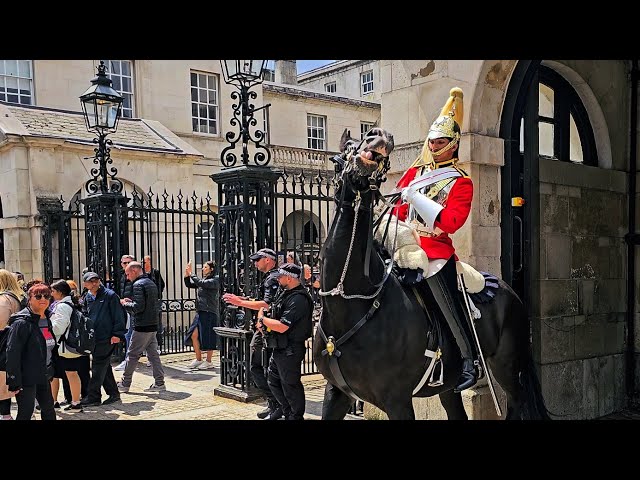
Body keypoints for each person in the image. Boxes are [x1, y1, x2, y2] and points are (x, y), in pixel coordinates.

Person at [393, 87, 478, 392]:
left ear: (453, 145)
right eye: (431, 141)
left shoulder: (461, 182)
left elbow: (452, 223)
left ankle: (470, 359)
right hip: (404, 245)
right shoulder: (416, 172)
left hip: (434, 251)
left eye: (440, 141)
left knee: (441, 292)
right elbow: (397, 209)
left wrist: (418, 198)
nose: (434, 145)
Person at [222, 247, 282, 420]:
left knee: (259, 368)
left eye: (258, 259)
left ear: (269, 260)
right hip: (265, 327)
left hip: (269, 328)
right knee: (259, 367)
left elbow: (267, 304)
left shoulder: (272, 279)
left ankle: (276, 404)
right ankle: (273, 404)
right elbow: (262, 301)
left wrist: (240, 302)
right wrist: (240, 300)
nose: (255, 263)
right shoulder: (270, 277)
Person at [257, 263, 313, 420]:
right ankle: (287, 412)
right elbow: (271, 309)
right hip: (279, 347)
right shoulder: (285, 293)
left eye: (280, 277)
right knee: (273, 380)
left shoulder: (298, 299)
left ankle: (295, 416)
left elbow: (282, 326)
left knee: (290, 385)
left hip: (290, 349)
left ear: (289, 278)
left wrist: (262, 319)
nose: (278, 280)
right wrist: (264, 319)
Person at [5, 283, 57, 420]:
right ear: (29, 299)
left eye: (46, 296)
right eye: (38, 296)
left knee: (49, 409)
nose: (43, 299)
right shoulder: (21, 322)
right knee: (26, 412)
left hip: (43, 373)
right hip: (26, 376)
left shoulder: (47, 318)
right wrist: (13, 380)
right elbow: (12, 352)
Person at [117, 261, 166, 393]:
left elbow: (138, 308)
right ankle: (160, 383)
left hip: (142, 326)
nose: (127, 277)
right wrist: (131, 302)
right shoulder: (150, 282)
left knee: (132, 355)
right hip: (152, 324)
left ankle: (125, 383)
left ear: (134, 271)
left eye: (128, 274)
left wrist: (124, 304)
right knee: (153, 355)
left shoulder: (138, 284)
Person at [80, 272, 126, 407]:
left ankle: (94, 396)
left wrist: (117, 334)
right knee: (104, 367)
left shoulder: (110, 295)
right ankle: (113, 393)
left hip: (107, 337)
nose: (94, 284)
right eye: (91, 281)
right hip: (93, 337)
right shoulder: (87, 296)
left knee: (97, 366)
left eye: (96, 281)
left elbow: (118, 316)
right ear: (85, 284)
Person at [49, 279, 85, 412]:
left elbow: (58, 328)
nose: (51, 294)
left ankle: (75, 403)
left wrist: (48, 327)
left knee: (70, 373)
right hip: (63, 346)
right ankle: (55, 401)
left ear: (59, 292)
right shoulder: (68, 303)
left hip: (63, 345)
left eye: (52, 291)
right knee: (57, 374)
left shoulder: (63, 306)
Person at [0, 269, 26, 420]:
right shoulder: (18, 296)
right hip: (15, 343)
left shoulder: (4, 299)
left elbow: (1, 323)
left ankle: (5, 415)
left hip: (5, 344)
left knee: (3, 381)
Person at [183, 260, 219, 370]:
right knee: (194, 335)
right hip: (200, 311)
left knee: (208, 336)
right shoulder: (203, 280)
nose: (203, 269)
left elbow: (201, 283)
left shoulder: (215, 280)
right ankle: (198, 359)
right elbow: (190, 284)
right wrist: (186, 275)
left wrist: (192, 273)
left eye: (205, 267)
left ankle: (209, 361)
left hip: (209, 311)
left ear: (211, 269)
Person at [114, 254, 135, 371]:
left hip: (134, 308)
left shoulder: (136, 277)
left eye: (129, 262)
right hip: (125, 307)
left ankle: (128, 360)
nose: (126, 265)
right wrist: (121, 300)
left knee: (130, 335)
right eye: (124, 263)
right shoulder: (122, 276)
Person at [144, 255, 166, 353]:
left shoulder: (155, 272)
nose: (143, 264)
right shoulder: (143, 273)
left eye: (144, 262)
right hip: (146, 300)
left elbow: (162, 284)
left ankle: (159, 341)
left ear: (149, 262)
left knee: (157, 320)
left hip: (156, 299)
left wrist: (156, 293)